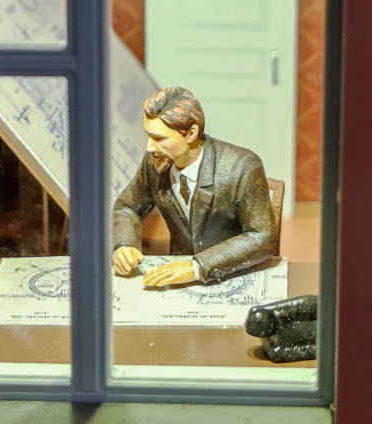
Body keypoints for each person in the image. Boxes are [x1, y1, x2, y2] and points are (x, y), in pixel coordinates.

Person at [113, 85, 277, 289]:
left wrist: (196, 267)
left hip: (232, 277)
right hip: (178, 284)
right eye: (148, 135)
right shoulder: (155, 163)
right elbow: (127, 207)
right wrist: (124, 245)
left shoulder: (242, 166)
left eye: (159, 138)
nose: (149, 147)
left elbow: (262, 237)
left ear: (191, 134)